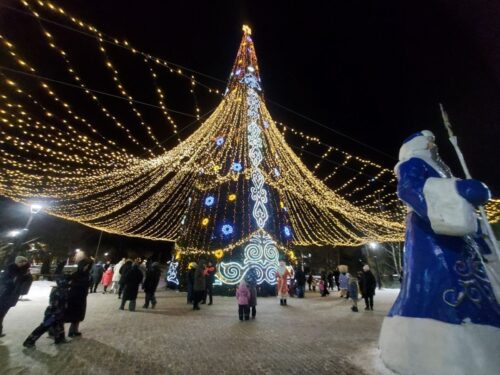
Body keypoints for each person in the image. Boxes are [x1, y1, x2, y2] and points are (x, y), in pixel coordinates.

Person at [379, 130, 500, 375]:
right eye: (429, 142)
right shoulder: (413, 162)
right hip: (430, 233)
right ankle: (441, 347)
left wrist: (479, 234)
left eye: (434, 142)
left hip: (456, 234)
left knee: (469, 282)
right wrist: (457, 191)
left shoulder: (440, 169)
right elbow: (409, 189)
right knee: (439, 278)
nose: (433, 145)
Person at [23, 276, 69, 347]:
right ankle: (29, 341)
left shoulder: (64, 290)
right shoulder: (58, 291)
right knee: (45, 326)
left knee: (59, 324)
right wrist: (55, 312)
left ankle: (59, 339)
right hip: (53, 312)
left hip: (59, 312)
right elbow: (54, 303)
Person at [0, 256, 31, 337]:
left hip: (12, 296)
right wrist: (13, 281)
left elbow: (25, 287)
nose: (22, 263)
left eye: (24, 262)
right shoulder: (10, 269)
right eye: (20, 262)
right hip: (3, 293)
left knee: (2, 313)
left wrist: (25, 277)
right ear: (16, 262)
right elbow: (3, 280)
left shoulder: (25, 272)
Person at [64, 251, 93, 337]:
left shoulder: (79, 267)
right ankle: (70, 330)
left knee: (77, 312)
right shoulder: (79, 267)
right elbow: (67, 276)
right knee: (75, 312)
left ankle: (73, 330)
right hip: (77, 292)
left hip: (78, 292)